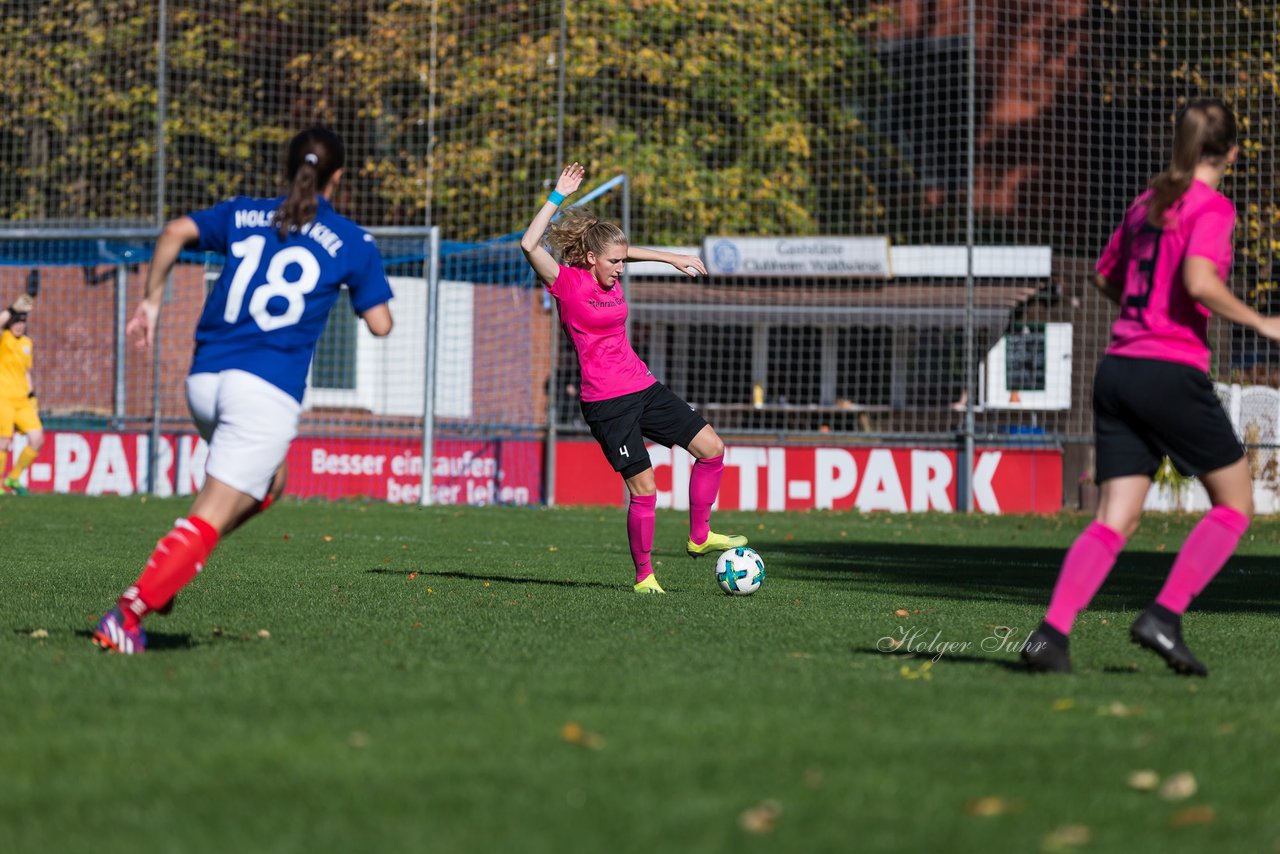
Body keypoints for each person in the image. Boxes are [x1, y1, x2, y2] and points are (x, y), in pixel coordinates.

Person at [93, 127, 394, 654]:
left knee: (272, 483)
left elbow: (173, 232)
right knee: (212, 512)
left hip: (205, 380)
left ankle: (175, 566)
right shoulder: (351, 240)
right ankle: (129, 613)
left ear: (287, 167)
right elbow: (381, 324)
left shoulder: (245, 213)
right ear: (338, 177)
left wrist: (152, 303)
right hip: (264, 392)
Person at [1022, 98, 1280, 676]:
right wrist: (1263, 322)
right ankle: (1164, 616)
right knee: (1236, 504)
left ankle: (1050, 634)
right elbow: (1199, 280)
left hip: (1117, 369)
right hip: (1168, 371)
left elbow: (1105, 275)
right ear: (1232, 153)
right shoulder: (1209, 206)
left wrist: (1146, 313)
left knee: (1115, 517)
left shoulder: (1146, 203)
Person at [521, 162, 747, 594]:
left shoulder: (612, 273)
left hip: (644, 387)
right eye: (615, 262)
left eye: (624, 261)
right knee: (645, 489)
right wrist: (557, 197)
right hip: (607, 402)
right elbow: (529, 243)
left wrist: (672, 258)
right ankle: (645, 577)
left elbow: (627, 251)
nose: (622, 269)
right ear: (591, 260)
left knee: (712, 448)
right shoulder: (566, 283)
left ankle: (700, 537)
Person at [0, 292, 43, 494]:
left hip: (22, 400)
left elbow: (26, 372)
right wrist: (11, 309)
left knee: (37, 438)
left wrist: (32, 396)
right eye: (16, 321)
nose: (19, 325)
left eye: (22, 322)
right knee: (3, 442)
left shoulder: (27, 343)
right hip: (3, 398)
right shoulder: (4, 339)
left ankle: (14, 479)